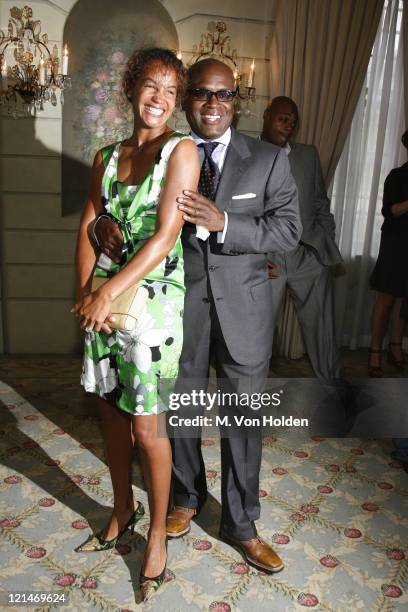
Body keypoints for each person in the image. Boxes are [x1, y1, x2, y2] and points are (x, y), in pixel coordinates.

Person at [94, 59, 301, 574]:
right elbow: (135, 215)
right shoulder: (168, 153)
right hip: (176, 312)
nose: (214, 105)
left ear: (237, 101)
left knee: (242, 422)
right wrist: (104, 228)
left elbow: (289, 231)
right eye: (203, 95)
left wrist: (226, 221)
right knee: (179, 414)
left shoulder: (269, 160)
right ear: (187, 101)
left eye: (224, 95)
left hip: (245, 313)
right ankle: (186, 497)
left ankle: (242, 525)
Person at [72, 47, 200, 601]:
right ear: (131, 89)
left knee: (148, 428)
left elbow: (166, 235)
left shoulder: (183, 151)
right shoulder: (106, 154)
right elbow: (89, 224)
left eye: (171, 91)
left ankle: (156, 534)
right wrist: (84, 291)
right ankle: (122, 509)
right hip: (102, 296)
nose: (159, 98)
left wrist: (106, 291)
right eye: (151, 85)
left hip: (152, 303)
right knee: (108, 412)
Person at [262, 96, 343, 382]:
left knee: (322, 329)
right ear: (266, 115)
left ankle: (334, 390)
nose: (289, 125)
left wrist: (325, 241)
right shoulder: (247, 153)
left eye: (293, 121)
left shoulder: (307, 154)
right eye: (283, 118)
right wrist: (252, 258)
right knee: (257, 333)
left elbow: (320, 201)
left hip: (308, 253)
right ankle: (247, 401)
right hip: (267, 258)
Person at [368, 130, 408, 377]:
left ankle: (395, 346)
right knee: (387, 297)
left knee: (405, 298)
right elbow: (390, 211)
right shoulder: (398, 176)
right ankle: (374, 350)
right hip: (396, 241)